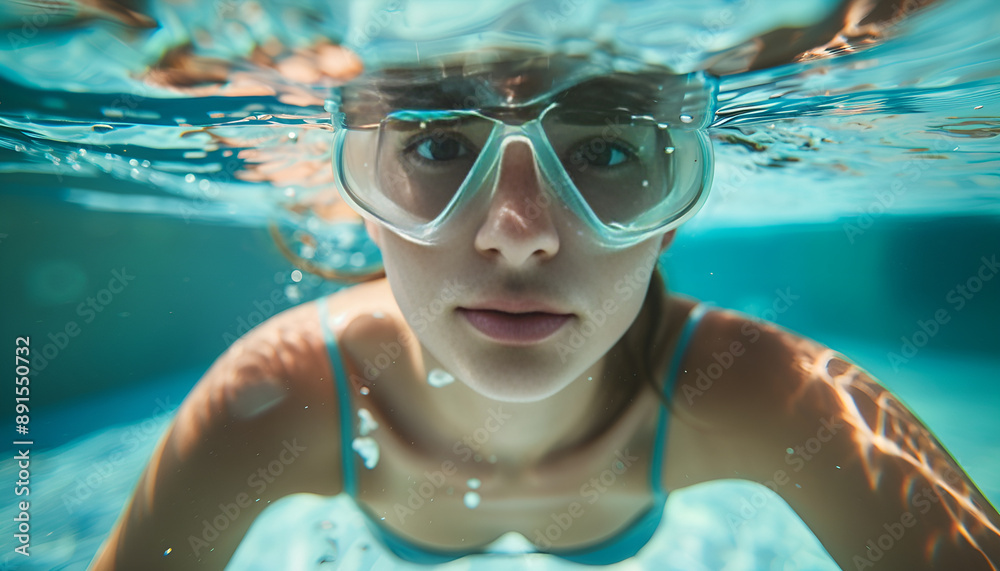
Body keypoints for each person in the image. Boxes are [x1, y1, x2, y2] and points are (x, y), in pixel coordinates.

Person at [90, 49, 1000, 571]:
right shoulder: (265, 401)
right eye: (441, 143)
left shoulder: (775, 395)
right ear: (365, 202)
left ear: (673, 216)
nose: (519, 235)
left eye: (605, 152)